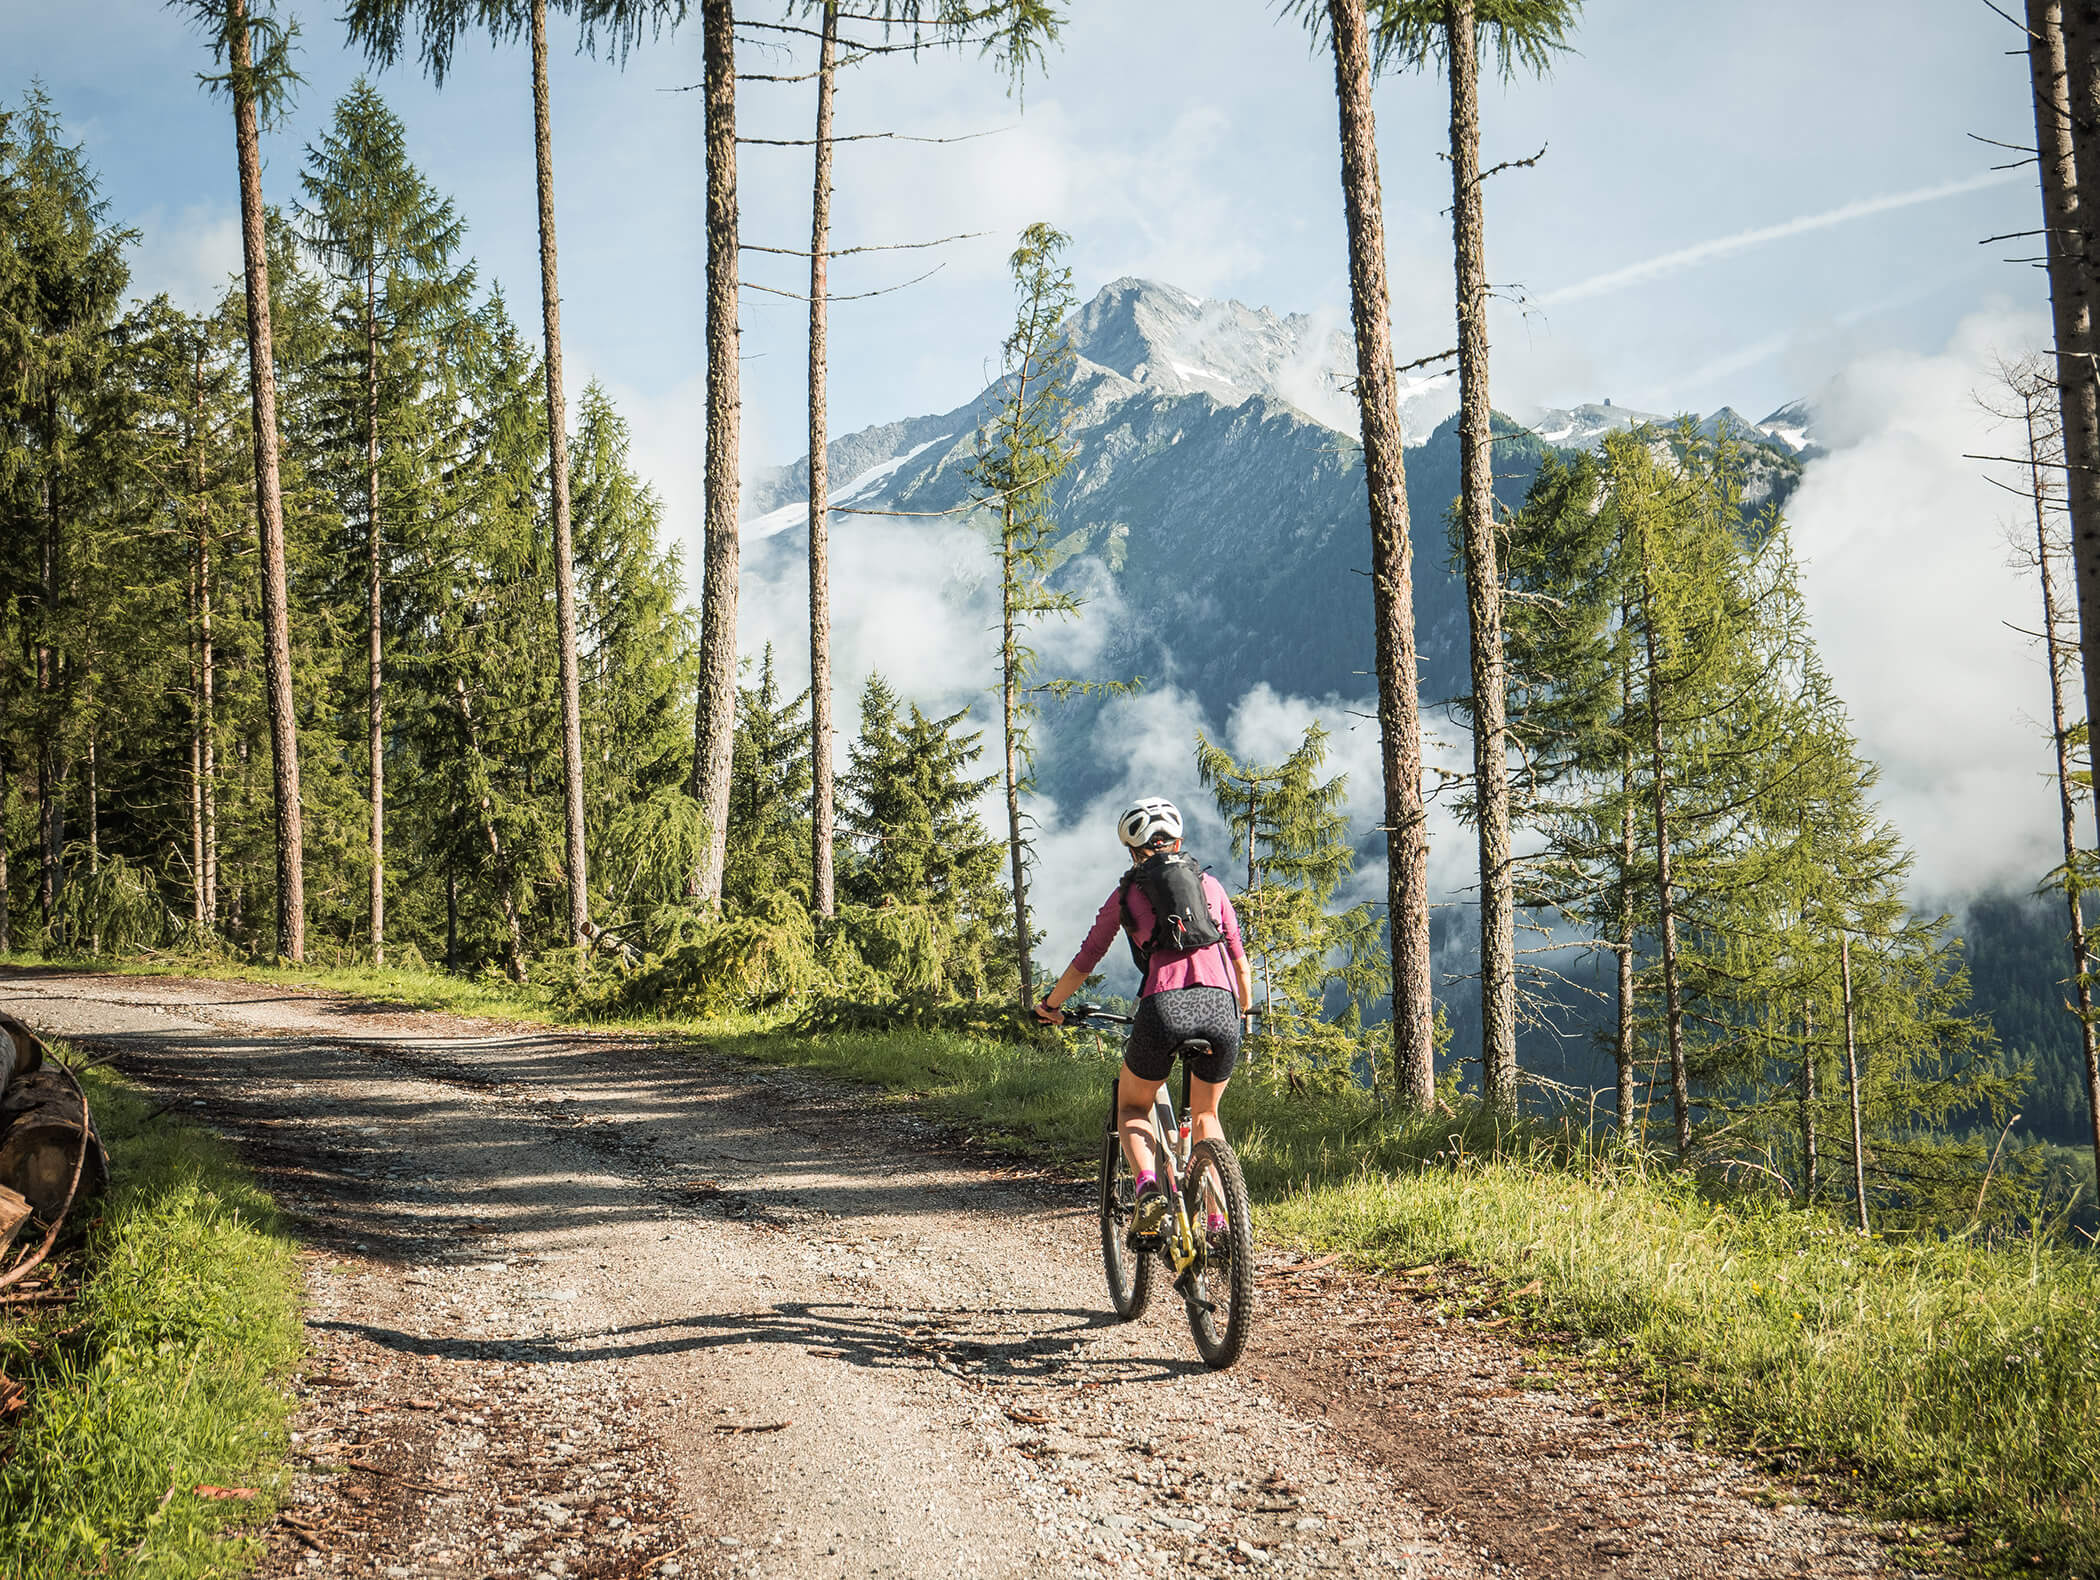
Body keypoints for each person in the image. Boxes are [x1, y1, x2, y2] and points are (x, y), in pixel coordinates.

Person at [1033, 797, 1254, 1241]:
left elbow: (1086, 959)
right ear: (1178, 841)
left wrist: (1050, 1006)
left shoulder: (1126, 894)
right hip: (1221, 1008)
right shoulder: (1210, 887)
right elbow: (1240, 963)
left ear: (1133, 853)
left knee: (1132, 1105)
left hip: (1163, 1008)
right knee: (1208, 1115)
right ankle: (1218, 1222)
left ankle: (1149, 1190)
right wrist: (1241, 1011)